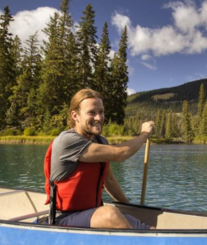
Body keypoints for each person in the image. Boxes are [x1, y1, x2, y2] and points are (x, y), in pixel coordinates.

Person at [44, 89, 155, 229]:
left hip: (91, 214)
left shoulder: (101, 141)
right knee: (110, 214)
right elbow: (119, 153)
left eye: (101, 112)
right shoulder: (68, 141)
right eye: (91, 112)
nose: (98, 118)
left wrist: (131, 208)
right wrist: (144, 134)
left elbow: (109, 180)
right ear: (75, 115)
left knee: (149, 228)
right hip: (64, 219)